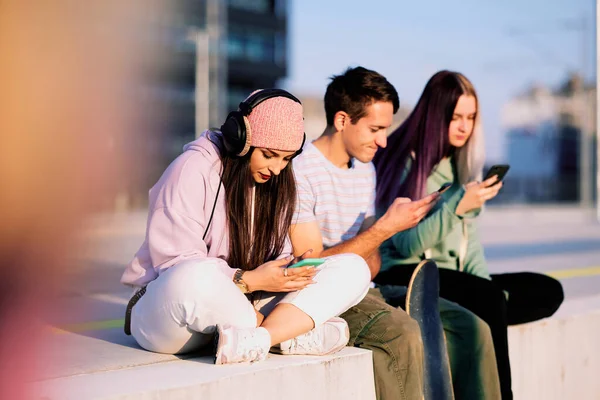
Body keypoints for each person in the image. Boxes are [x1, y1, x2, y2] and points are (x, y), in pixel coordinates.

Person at [290, 67, 501, 400]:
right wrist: (384, 229)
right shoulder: (302, 172)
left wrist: (381, 233)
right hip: (321, 297)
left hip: (365, 287)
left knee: (471, 327)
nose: (383, 141)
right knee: (403, 332)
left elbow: (371, 260)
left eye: (386, 129)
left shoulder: (365, 169)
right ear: (343, 120)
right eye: (375, 129)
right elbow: (309, 269)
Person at [121, 89, 371, 364]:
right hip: (171, 312)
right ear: (240, 139)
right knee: (193, 276)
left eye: (286, 159)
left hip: (243, 308)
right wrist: (249, 279)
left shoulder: (278, 181)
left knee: (353, 267)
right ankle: (284, 336)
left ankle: (260, 338)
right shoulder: (192, 168)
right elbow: (175, 265)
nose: (277, 168)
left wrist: (284, 271)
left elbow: (272, 258)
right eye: (268, 154)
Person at [373, 70, 565, 399]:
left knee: (547, 290)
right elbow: (405, 244)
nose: (465, 126)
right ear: (436, 115)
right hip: (409, 273)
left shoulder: (458, 165)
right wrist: (456, 207)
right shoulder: (406, 162)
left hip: (453, 279)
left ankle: (484, 307)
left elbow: (470, 246)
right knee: (489, 300)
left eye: (471, 117)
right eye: (456, 117)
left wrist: (482, 284)